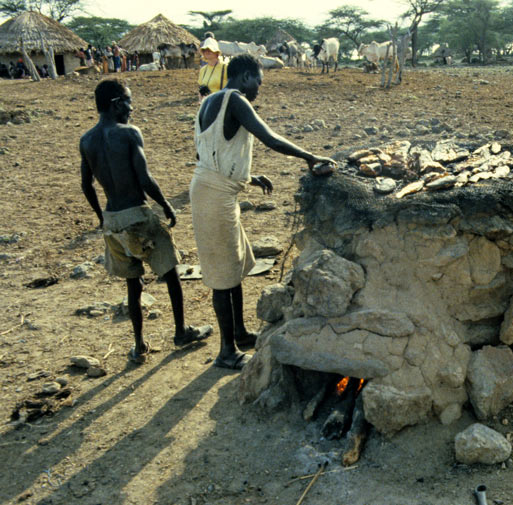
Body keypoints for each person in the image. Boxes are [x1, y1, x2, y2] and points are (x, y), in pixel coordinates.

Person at [190, 54, 335, 370]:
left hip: (215, 189)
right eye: (258, 80)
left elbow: (209, 151)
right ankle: (226, 352)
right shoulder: (236, 100)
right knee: (221, 277)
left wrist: (248, 178)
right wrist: (309, 156)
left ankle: (239, 332)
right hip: (215, 197)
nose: (259, 88)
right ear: (244, 77)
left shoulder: (208, 102)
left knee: (234, 267)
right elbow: (269, 137)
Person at [80, 79, 212, 363]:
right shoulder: (129, 133)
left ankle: (139, 345)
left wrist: (100, 216)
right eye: (128, 101)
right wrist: (166, 205)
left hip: (113, 220)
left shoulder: (86, 140)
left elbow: (86, 184)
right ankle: (181, 332)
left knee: (133, 282)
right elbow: (144, 177)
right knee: (171, 271)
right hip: (137, 215)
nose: (131, 107)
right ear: (116, 104)